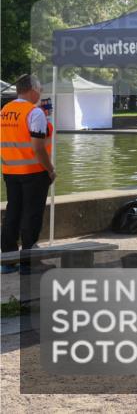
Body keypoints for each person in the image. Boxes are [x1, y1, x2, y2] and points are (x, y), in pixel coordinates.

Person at [1, 74, 56, 273]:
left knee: (12, 214)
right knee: (31, 216)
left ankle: (7, 261)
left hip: (10, 171)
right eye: (40, 90)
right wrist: (50, 170)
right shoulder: (34, 113)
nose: (40, 94)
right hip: (34, 172)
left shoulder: (5, 110)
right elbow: (38, 147)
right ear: (32, 89)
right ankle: (29, 263)